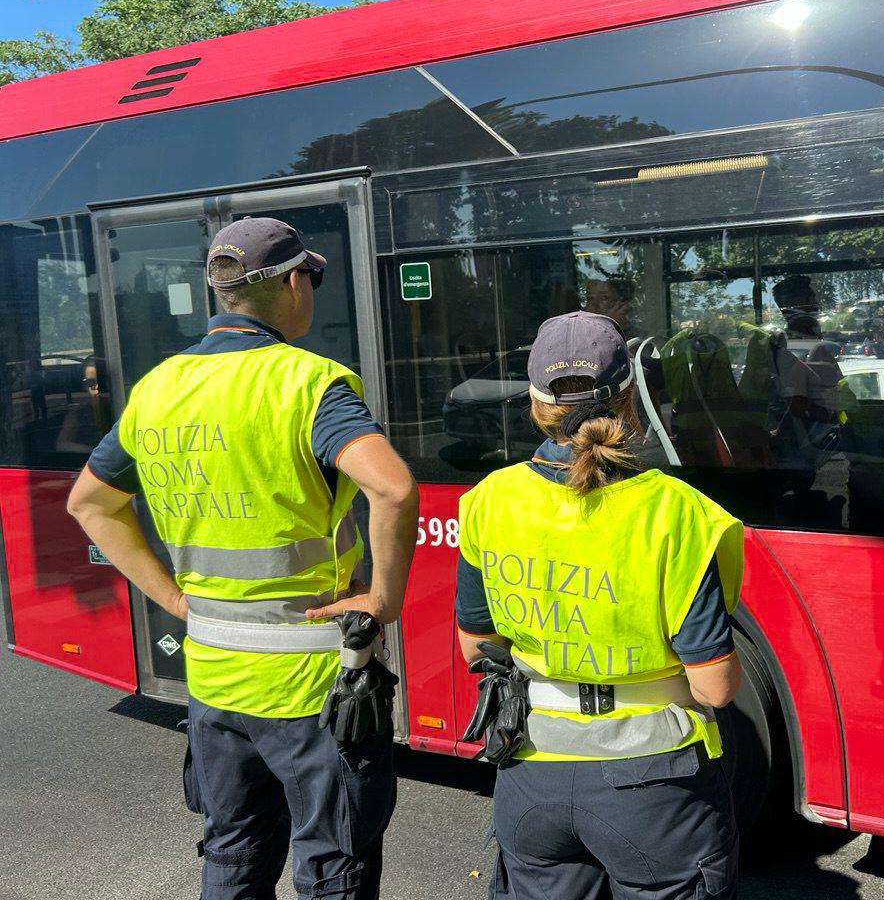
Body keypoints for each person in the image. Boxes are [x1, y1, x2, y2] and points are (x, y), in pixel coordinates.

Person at [66, 217, 419, 900]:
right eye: (309, 277)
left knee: (233, 857)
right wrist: (382, 602)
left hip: (214, 681)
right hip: (313, 682)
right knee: (334, 863)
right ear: (293, 282)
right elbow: (392, 487)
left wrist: (173, 600)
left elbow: (89, 503)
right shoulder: (309, 384)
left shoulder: (158, 388)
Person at [455, 310, 744, 900]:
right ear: (629, 398)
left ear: (536, 404)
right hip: (655, 788)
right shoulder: (677, 511)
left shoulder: (489, 500)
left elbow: (475, 648)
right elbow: (714, 687)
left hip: (531, 775)